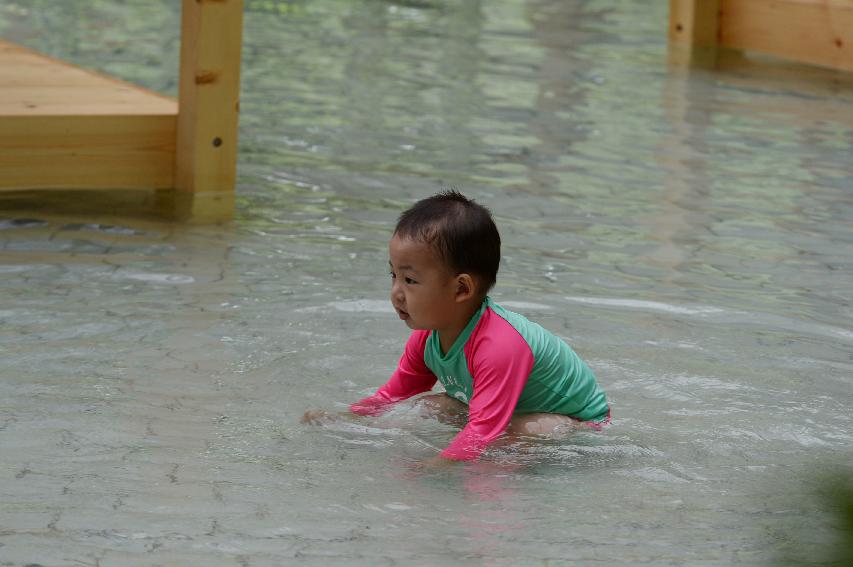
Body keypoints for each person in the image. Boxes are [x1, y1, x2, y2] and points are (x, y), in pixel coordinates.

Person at [303, 190, 609, 464]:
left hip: (578, 425)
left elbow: (484, 431)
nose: (396, 291)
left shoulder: (499, 345)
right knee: (429, 405)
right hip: (509, 411)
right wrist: (346, 418)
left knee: (520, 434)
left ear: (462, 289)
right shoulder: (427, 338)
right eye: (393, 275)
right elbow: (392, 396)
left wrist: (436, 466)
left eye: (410, 280)